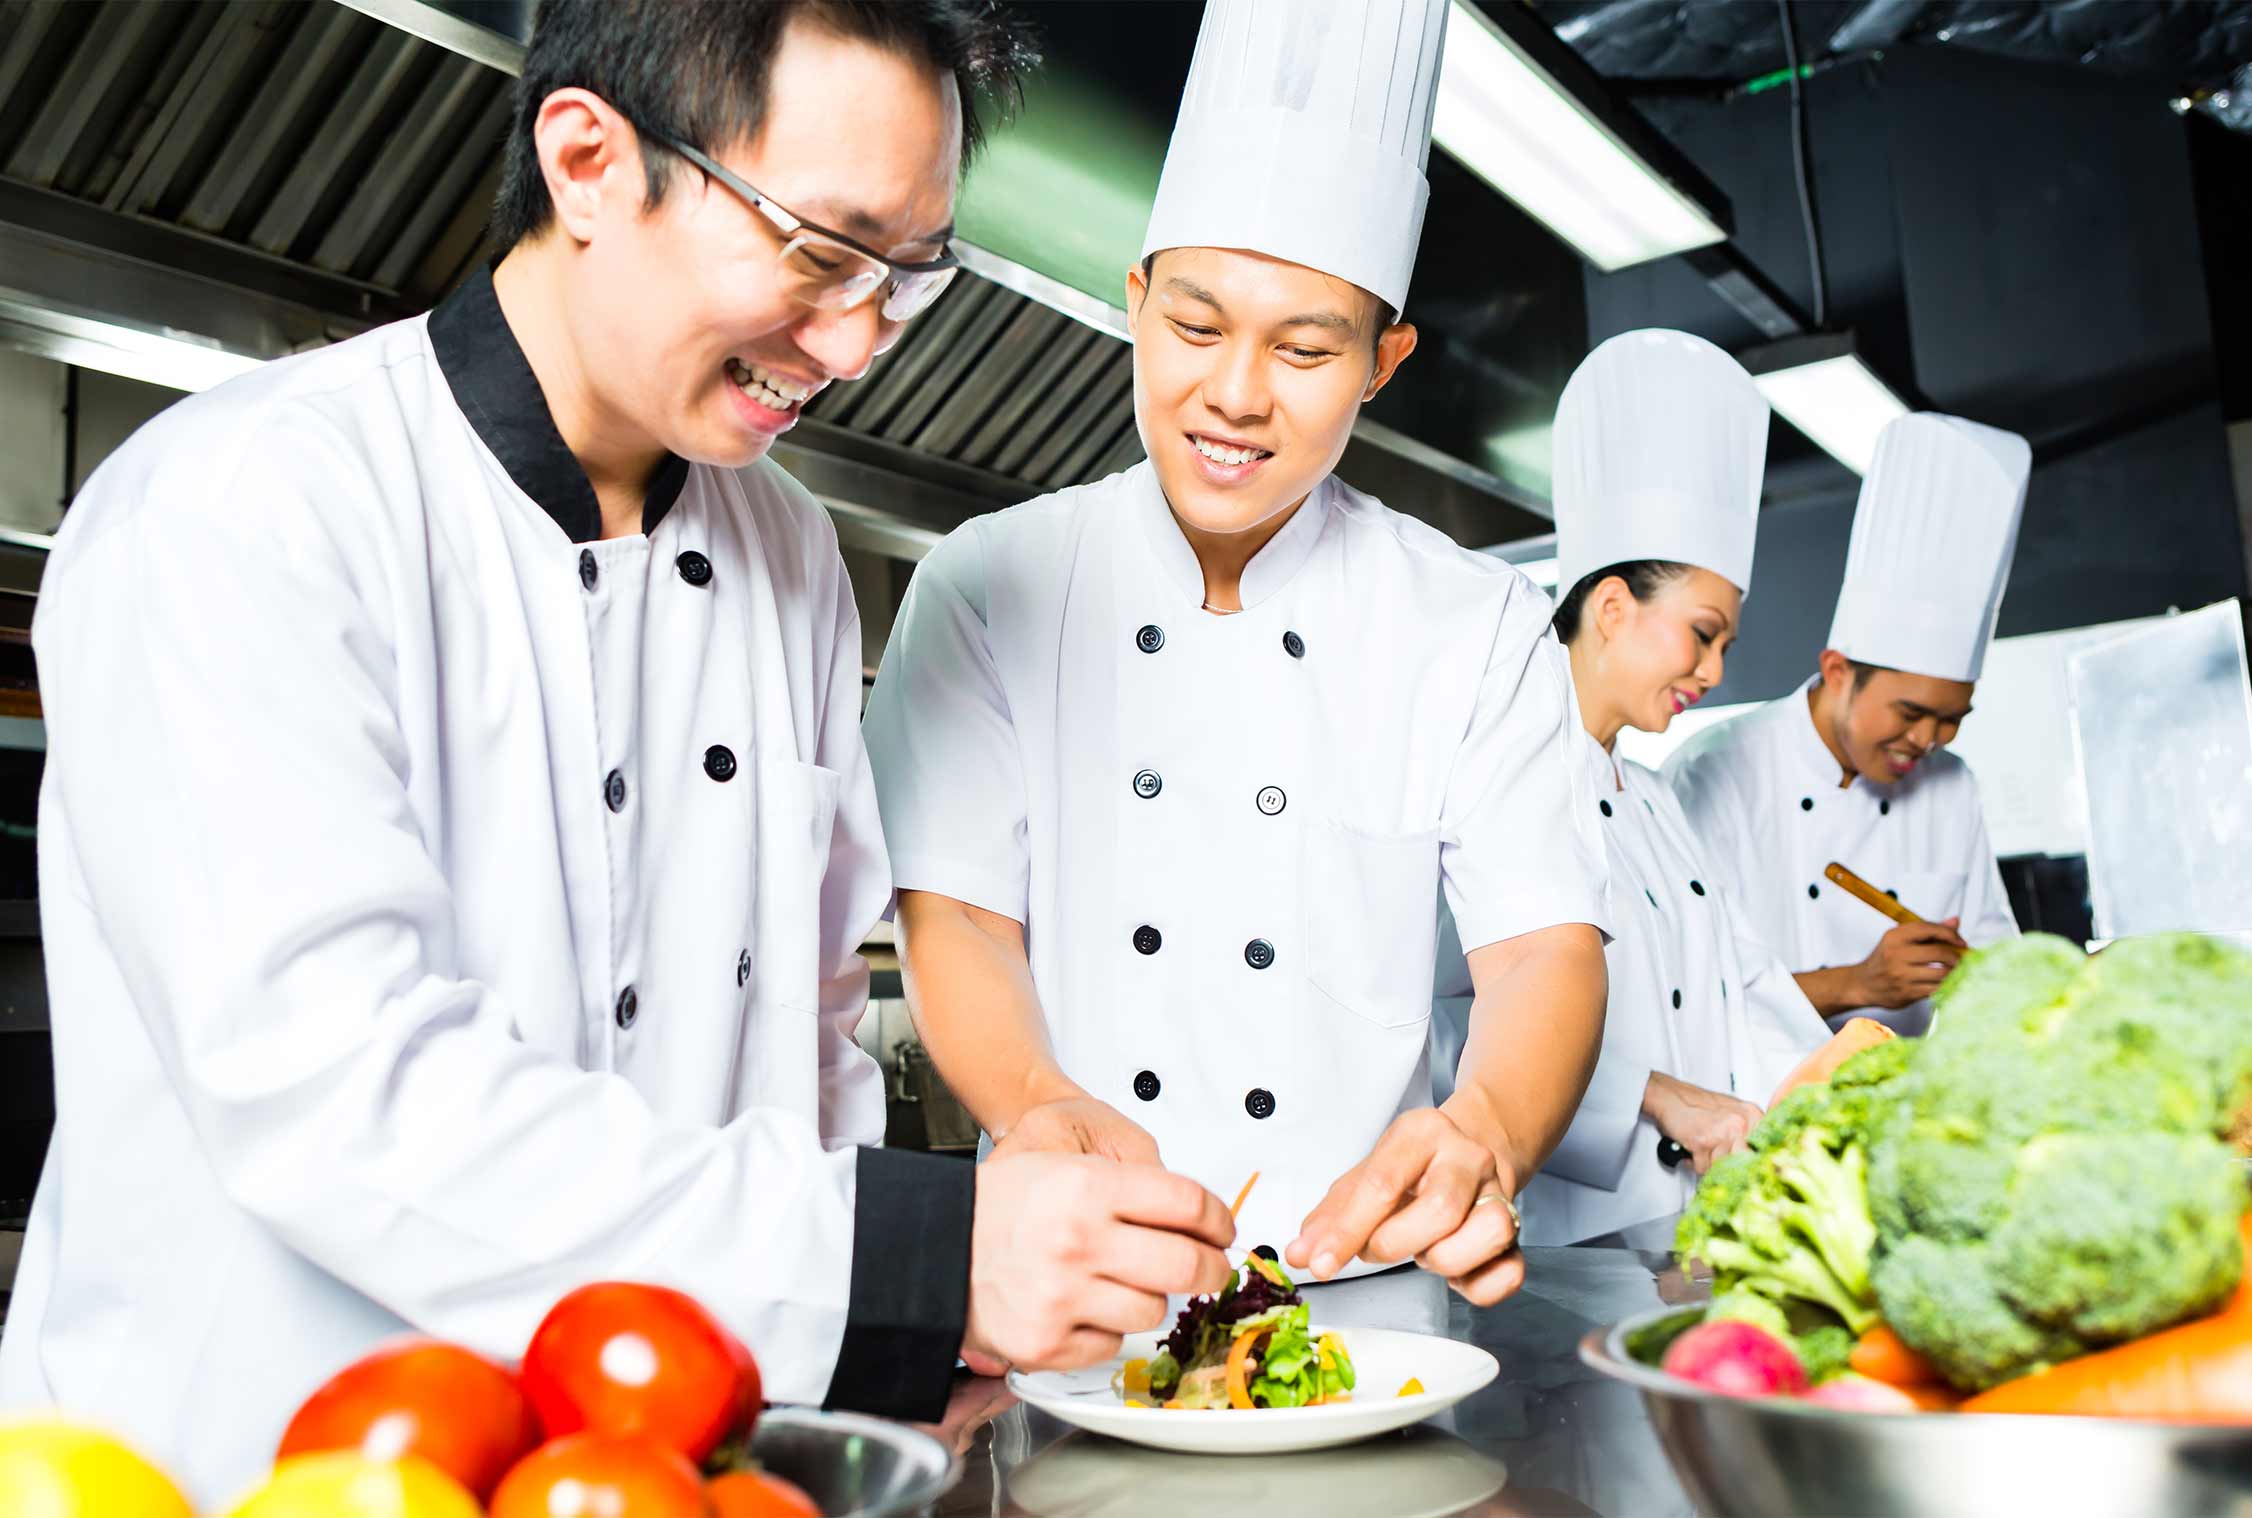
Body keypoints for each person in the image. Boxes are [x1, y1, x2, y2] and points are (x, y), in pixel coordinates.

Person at [0, 3, 1235, 1504]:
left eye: (906, 282)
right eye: (817, 251)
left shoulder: (787, 552)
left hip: (648, 1468)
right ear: (590, 161)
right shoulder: (242, 508)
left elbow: (812, 1035)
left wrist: (888, 1341)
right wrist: (901, 1258)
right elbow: (341, 1093)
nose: (851, 346)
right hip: (267, 1461)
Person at [863, 0, 1609, 1310]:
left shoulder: (1470, 624)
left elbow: (1544, 947)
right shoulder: (990, 582)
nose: (1237, 394)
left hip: (1373, 1287)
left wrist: (1486, 1124)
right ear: (1136, 300)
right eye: (1197, 327)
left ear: (1385, 361)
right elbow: (959, 912)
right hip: (1080, 1280)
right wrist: (1035, 1104)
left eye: (1307, 348)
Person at [1435, 331, 1826, 1245]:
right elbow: (1436, 1028)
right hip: (1555, 1253)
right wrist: (1657, 1098)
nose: (1716, 669)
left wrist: (1851, 1087)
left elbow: (1751, 998)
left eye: (1724, 642)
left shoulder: (1655, 804)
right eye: (1702, 633)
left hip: (1686, 1250)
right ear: (1612, 609)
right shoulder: (1483, 777)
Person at [1666, 412, 2029, 1036]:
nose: (1928, 741)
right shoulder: (1712, 774)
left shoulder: (1951, 784)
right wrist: (1859, 984)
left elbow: (1994, 958)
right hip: (1758, 1108)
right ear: (1837, 670)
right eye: (1910, 713)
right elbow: (1686, 994)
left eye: (1951, 720)